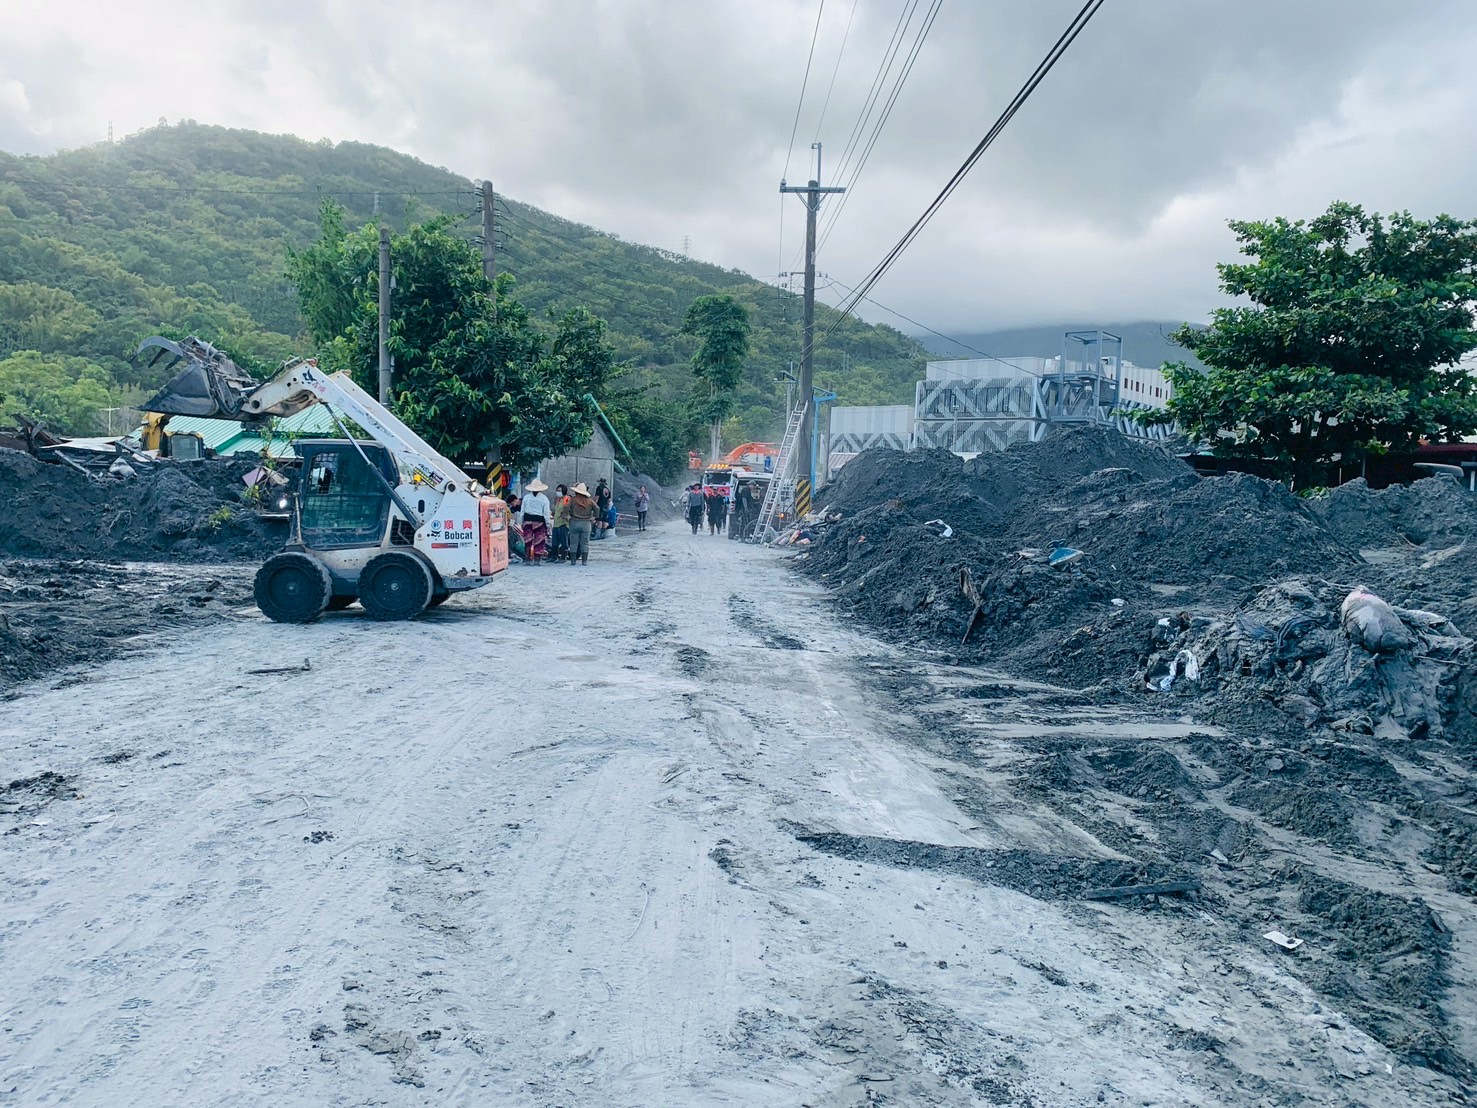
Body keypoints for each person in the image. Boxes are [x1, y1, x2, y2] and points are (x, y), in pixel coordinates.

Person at [519, 478, 552, 565]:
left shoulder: (526, 497)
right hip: (539, 522)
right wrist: (548, 523)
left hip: (527, 521)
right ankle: (537, 560)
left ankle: (527, 559)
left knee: (527, 541)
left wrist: (521, 521)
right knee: (539, 541)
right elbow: (546, 513)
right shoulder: (544, 498)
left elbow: (522, 511)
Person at [567, 482, 597, 565]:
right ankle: (584, 561)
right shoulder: (589, 501)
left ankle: (573, 560)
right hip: (586, 523)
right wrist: (594, 517)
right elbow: (597, 509)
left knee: (573, 542)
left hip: (574, 522)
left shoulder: (572, 499)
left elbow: (566, 507)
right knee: (585, 542)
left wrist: (566, 515)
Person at [549, 484, 571, 562]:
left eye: (559, 491)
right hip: (556, 523)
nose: (558, 492)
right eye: (557, 490)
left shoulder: (567, 499)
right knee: (555, 542)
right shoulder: (558, 500)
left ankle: (563, 557)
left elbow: (569, 509)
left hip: (564, 523)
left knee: (564, 542)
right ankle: (554, 557)